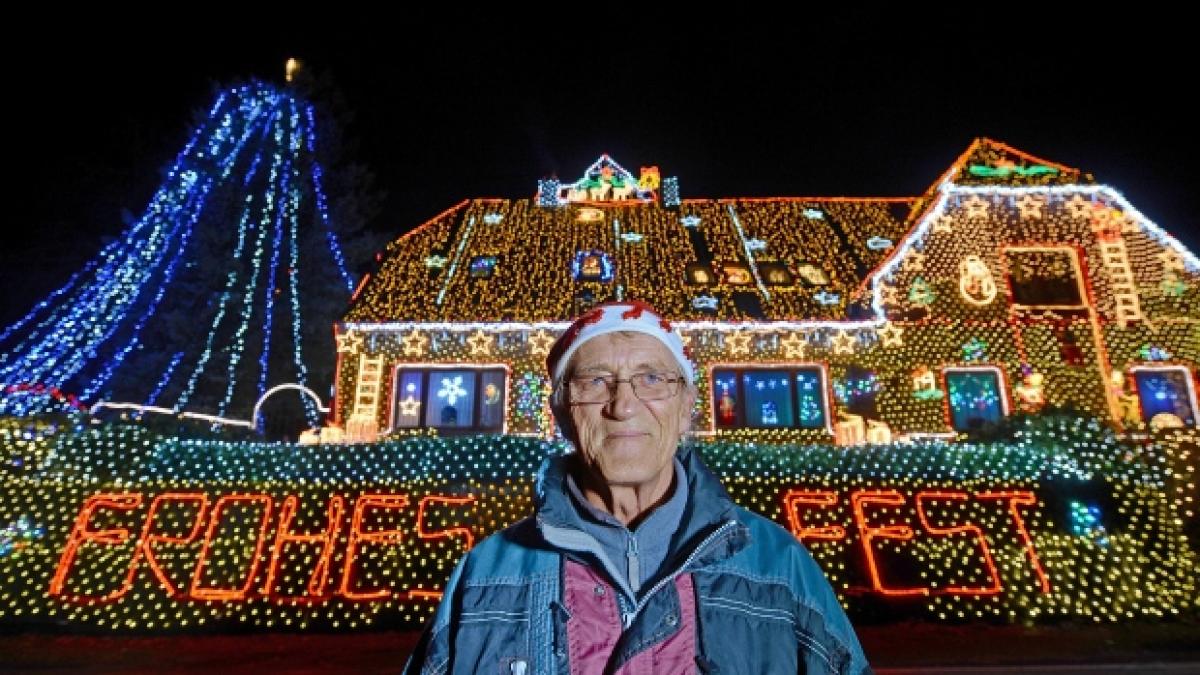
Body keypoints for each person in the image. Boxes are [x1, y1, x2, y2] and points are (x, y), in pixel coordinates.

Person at [404, 300, 871, 674]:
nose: (623, 405)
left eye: (651, 378)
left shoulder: (775, 564)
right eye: (595, 381)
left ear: (686, 405)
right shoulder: (488, 573)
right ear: (564, 412)